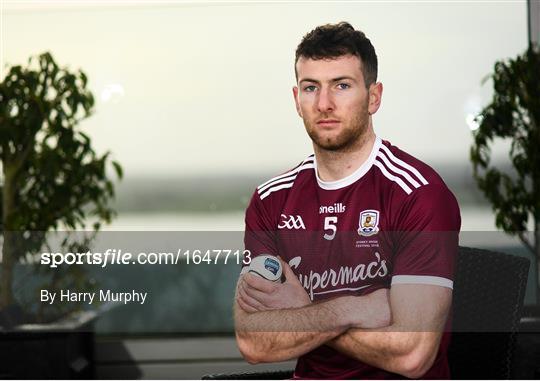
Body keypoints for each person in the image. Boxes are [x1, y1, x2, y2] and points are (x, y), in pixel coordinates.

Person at [234, 21, 461, 379]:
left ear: (374, 97)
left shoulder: (418, 194)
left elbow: (412, 354)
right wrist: (349, 310)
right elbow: (254, 341)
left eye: (342, 85)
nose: (324, 103)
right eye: (311, 88)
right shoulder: (270, 201)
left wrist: (302, 311)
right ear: (297, 100)